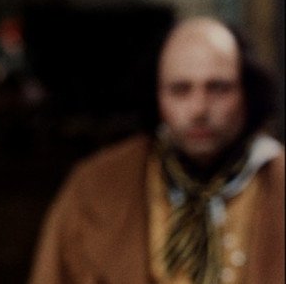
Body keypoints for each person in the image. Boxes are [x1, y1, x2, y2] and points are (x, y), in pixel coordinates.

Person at [28, 16, 283, 284]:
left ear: (247, 92)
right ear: (157, 95)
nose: (199, 109)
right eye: (180, 90)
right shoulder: (93, 186)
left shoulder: (278, 179)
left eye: (218, 88)